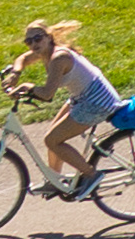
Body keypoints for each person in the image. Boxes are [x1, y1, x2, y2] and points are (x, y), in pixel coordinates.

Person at [7, 19, 120, 191]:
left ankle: (91, 174)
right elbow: (22, 58)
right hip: (82, 97)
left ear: (48, 37)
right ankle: (55, 181)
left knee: (52, 140)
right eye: (28, 41)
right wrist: (15, 73)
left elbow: (47, 94)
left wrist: (26, 87)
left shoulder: (58, 58)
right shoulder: (44, 51)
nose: (33, 44)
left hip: (96, 102)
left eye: (37, 38)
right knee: (52, 135)